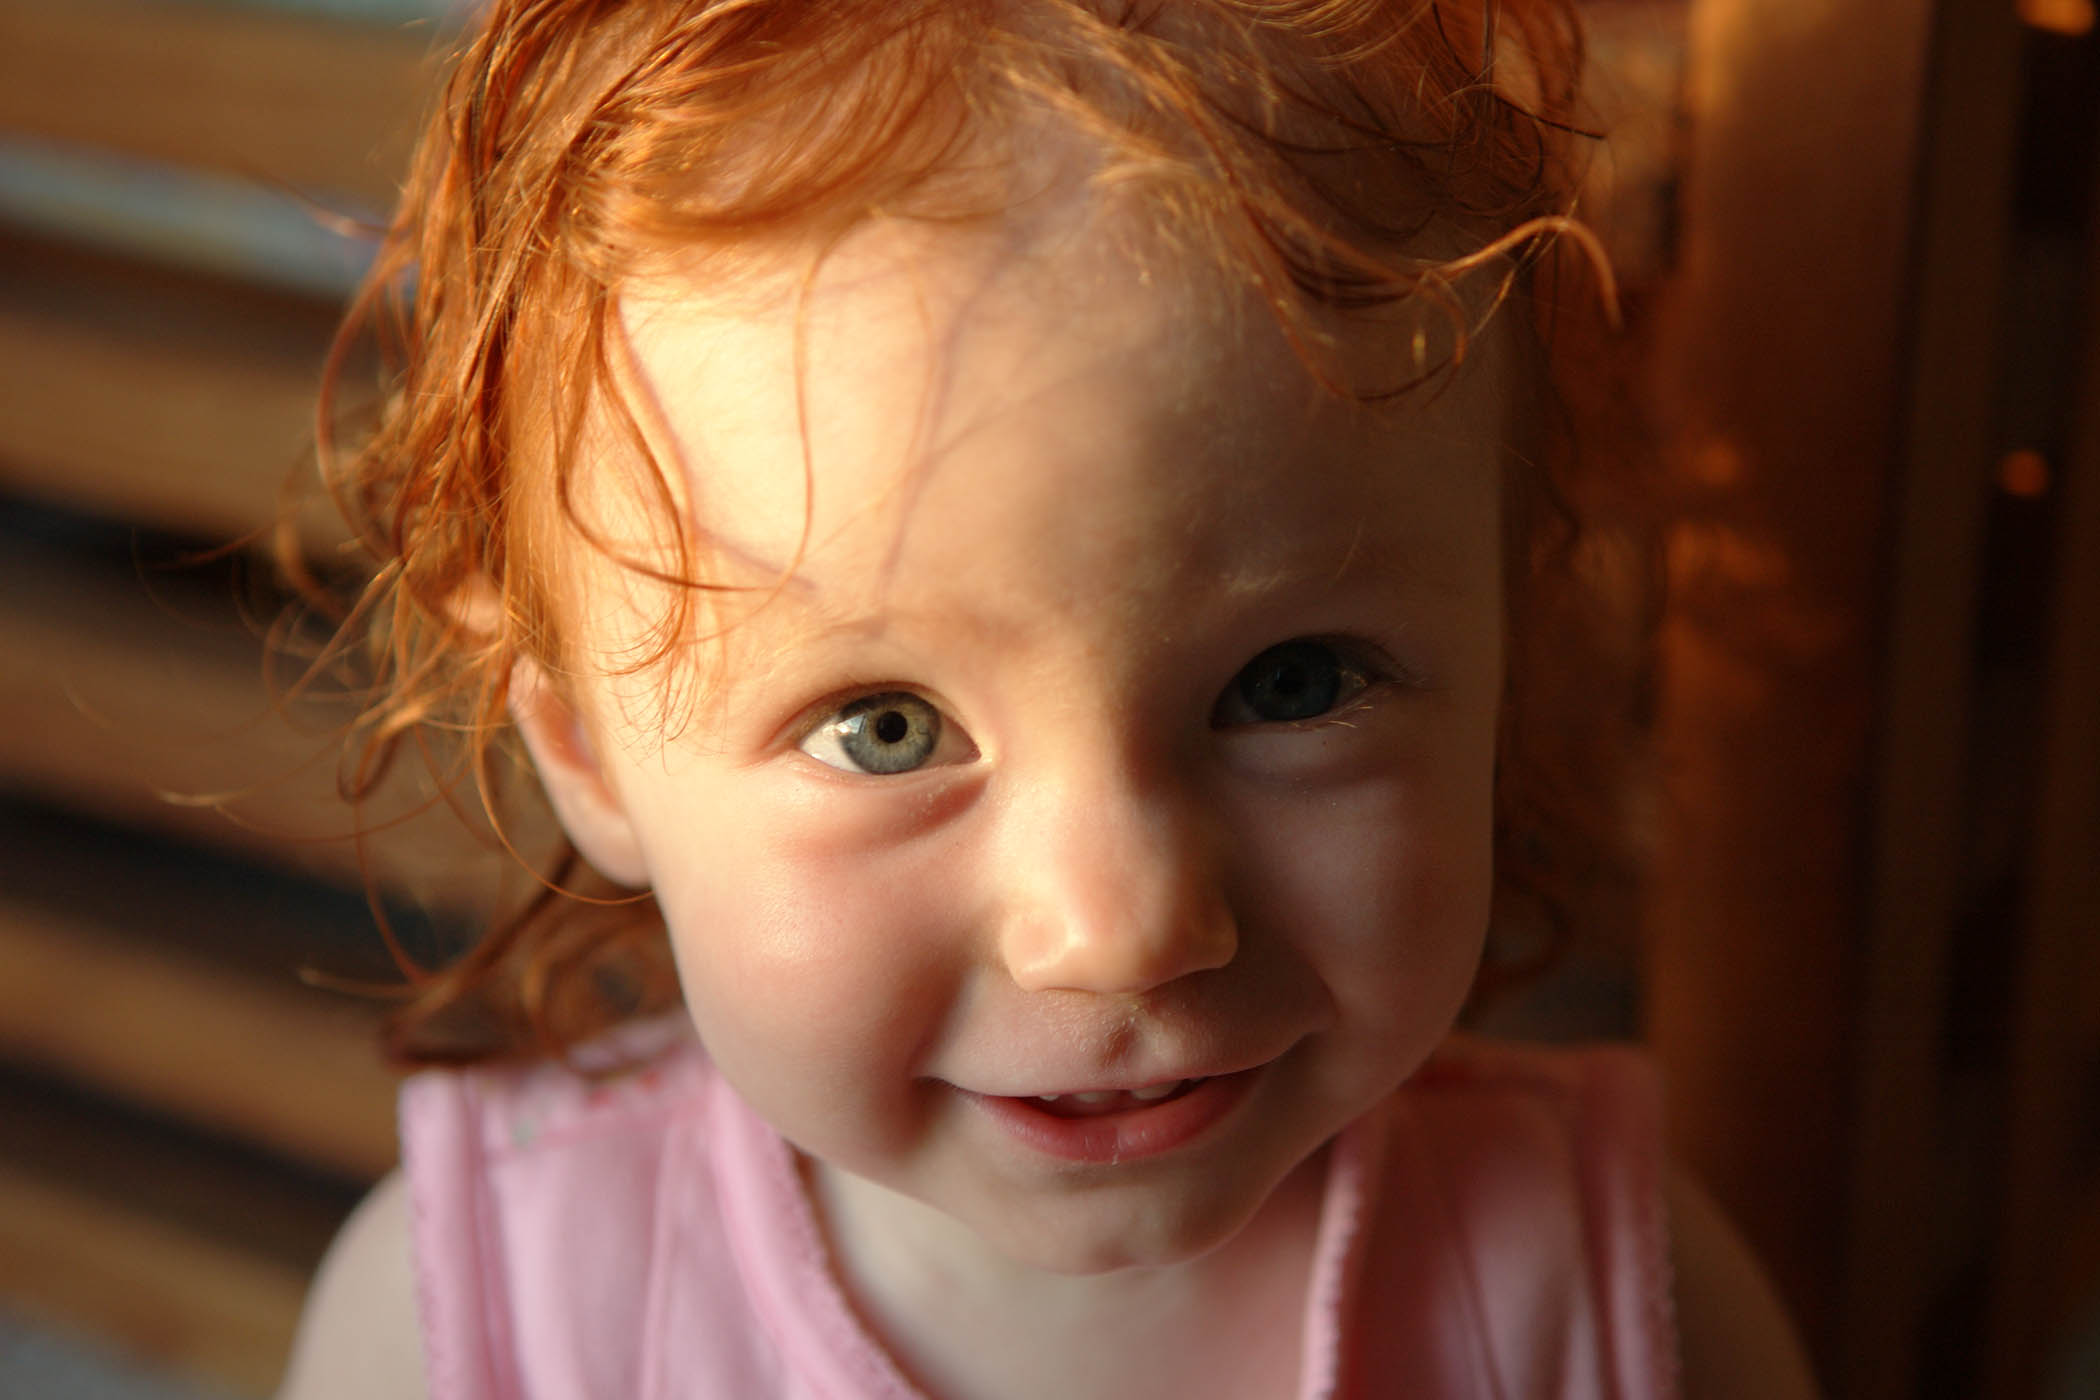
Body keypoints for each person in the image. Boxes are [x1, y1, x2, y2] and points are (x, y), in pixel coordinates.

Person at [277, 1, 1818, 1396]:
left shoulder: (1625, 1305)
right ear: (586, 753)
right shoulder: (471, 1329)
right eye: (884, 729)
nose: (1122, 928)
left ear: (1505, 652)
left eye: (1293, 686)